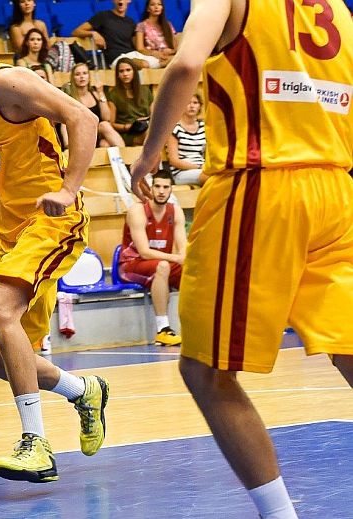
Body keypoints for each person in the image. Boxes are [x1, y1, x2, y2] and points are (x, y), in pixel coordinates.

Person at [128, 1, 353, 517]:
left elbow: (186, 63)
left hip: (261, 185)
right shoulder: (338, 9)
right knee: (348, 347)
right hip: (336, 189)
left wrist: (150, 151)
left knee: (205, 370)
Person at [0, 11, 109, 483]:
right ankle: (84, 391)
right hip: (9, 234)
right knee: (0, 361)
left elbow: (83, 117)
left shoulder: (6, 82)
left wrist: (69, 188)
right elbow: (2, 158)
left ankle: (37, 445)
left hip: (49, 223)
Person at [119, 170, 184, 346]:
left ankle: (199, 325)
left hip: (162, 264)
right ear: (150, 188)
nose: (161, 191)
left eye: (166, 187)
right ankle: (163, 330)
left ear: (171, 189)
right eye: (157, 186)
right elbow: (144, 252)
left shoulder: (176, 212)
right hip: (131, 265)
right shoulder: (137, 211)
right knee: (162, 266)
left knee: (193, 271)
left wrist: (185, 260)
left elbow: (183, 250)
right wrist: (176, 258)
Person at [71, 0, 158, 69]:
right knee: (143, 64)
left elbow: (138, 46)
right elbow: (76, 31)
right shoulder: (103, 16)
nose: (120, 0)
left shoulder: (131, 22)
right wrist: (93, 33)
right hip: (116, 58)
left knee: (162, 62)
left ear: (129, 1)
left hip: (133, 54)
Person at [63, 63, 124, 148]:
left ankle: (125, 153)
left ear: (89, 76)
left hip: (96, 133)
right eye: (77, 74)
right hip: (80, 134)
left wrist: (101, 93)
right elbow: (64, 123)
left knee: (105, 132)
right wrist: (67, 144)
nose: (82, 77)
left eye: (85, 73)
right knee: (104, 142)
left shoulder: (95, 94)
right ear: (73, 78)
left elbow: (106, 118)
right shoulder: (70, 98)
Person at [107, 57, 153, 145]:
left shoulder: (145, 91)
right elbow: (111, 123)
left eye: (128, 70)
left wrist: (145, 121)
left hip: (145, 127)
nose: (125, 74)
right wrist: (127, 127)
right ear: (117, 75)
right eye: (121, 71)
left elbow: (154, 114)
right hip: (127, 133)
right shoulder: (113, 94)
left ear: (134, 72)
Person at [167, 93, 207, 186]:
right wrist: (199, 167)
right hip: (182, 172)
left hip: (203, 168)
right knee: (211, 177)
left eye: (195, 103)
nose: (192, 106)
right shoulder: (175, 128)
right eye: (187, 102)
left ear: (200, 106)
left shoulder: (204, 127)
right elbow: (174, 161)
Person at [135, 0, 177, 68]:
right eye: (152, 4)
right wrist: (154, 53)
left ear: (162, 8)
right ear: (148, 9)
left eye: (159, 4)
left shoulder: (168, 25)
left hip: (168, 56)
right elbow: (140, 48)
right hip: (152, 56)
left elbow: (175, 47)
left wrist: (170, 52)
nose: (156, 7)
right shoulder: (141, 25)